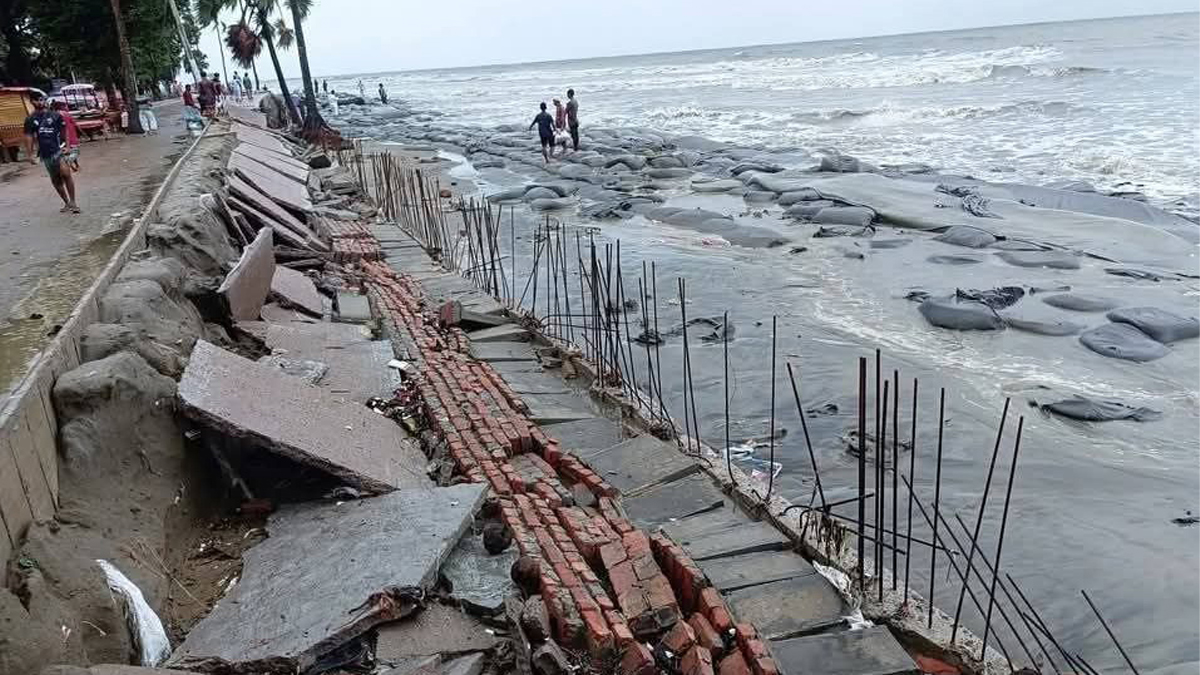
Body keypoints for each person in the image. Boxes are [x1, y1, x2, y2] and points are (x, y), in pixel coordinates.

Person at [23, 93, 79, 213]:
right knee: (56, 180)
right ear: (32, 102)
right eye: (37, 100)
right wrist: (30, 155)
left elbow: (65, 132)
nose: (40, 102)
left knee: (65, 173)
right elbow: (29, 137)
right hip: (45, 153)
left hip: (59, 149)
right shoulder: (30, 119)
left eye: (42, 99)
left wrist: (68, 147)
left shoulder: (55, 115)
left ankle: (73, 202)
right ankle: (67, 202)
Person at [52, 101, 81, 171]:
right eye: (65, 106)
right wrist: (81, 132)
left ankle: (75, 164)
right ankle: (70, 162)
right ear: (61, 106)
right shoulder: (66, 114)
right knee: (74, 151)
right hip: (71, 135)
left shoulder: (53, 115)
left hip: (60, 136)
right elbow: (75, 124)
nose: (66, 107)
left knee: (66, 151)